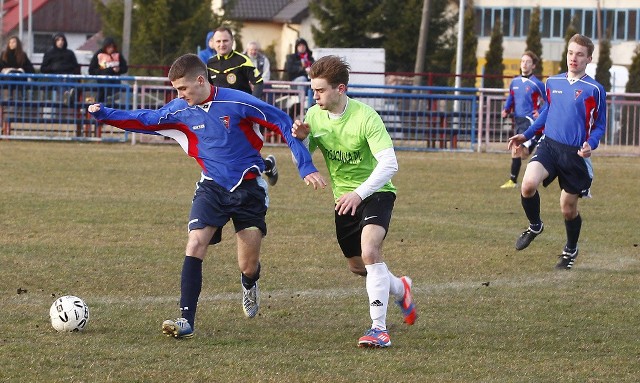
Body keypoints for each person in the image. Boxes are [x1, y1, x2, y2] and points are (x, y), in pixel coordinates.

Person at [88, 53, 326, 339]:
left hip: (248, 188)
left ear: (200, 80)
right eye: (176, 90)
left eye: (183, 89)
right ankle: (186, 320)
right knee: (195, 242)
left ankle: (249, 284)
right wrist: (105, 114)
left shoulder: (237, 102)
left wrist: (305, 164)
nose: (179, 95)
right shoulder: (179, 110)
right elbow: (143, 119)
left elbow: (283, 123)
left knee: (247, 265)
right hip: (211, 187)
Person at [291, 55, 416, 348]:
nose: (315, 95)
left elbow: (390, 164)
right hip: (343, 200)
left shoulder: (366, 117)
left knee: (371, 251)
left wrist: (359, 193)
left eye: (320, 90)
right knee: (359, 267)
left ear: (341, 89)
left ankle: (378, 329)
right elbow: (302, 153)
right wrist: (301, 140)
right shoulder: (314, 116)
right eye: (313, 89)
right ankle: (401, 287)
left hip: (375, 193)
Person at [508, 34, 606, 270]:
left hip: (574, 155)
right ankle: (535, 226)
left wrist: (590, 144)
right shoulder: (553, 82)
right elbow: (546, 113)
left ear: (589, 58)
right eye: (571, 53)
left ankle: (570, 249)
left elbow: (600, 124)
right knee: (528, 184)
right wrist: (527, 134)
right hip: (549, 145)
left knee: (567, 209)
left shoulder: (595, 89)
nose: (574, 58)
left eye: (580, 54)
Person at [206, 27, 278, 186]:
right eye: (218, 41)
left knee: (245, 151)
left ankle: (264, 168)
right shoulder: (210, 64)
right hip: (221, 116)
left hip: (243, 114)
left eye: (225, 40)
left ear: (232, 42)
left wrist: (252, 104)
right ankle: (264, 167)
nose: (222, 44)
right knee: (229, 150)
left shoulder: (242, 60)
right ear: (213, 43)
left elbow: (258, 82)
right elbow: (208, 89)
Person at [499, 51, 545, 189]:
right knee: (520, 152)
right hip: (518, 120)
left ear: (533, 66)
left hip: (529, 121)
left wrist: (540, 112)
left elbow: (549, 101)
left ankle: (515, 180)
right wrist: (506, 109)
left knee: (518, 150)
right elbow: (511, 98)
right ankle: (513, 181)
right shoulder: (515, 82)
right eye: (522, 61)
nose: (524, 64)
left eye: (528, 62)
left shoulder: (537, 84)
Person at [40, 33, 80, 104]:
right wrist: (52, 67)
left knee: (70, 82)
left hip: (68, 76)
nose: (60, 42)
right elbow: (43, 68)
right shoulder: (49, 53)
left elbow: (76, 67)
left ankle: (70, 96)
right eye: (58, 40)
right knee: (60, 82)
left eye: (62, 40)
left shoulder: (70, 53)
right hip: (54, 77)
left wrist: (68, 68)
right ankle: (67, 96)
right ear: (54, 42)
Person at [88, 37, 128, 103]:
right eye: (109, 47)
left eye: (112, 47)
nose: (111, 49)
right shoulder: (99, 54)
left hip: (115, 81)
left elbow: (124, 68)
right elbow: (91, 70)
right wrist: (103, 72)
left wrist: (119, 70)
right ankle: (105, 100)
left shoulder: (118, 54)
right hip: (101, 81)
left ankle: (111, 99)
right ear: (105, 46)